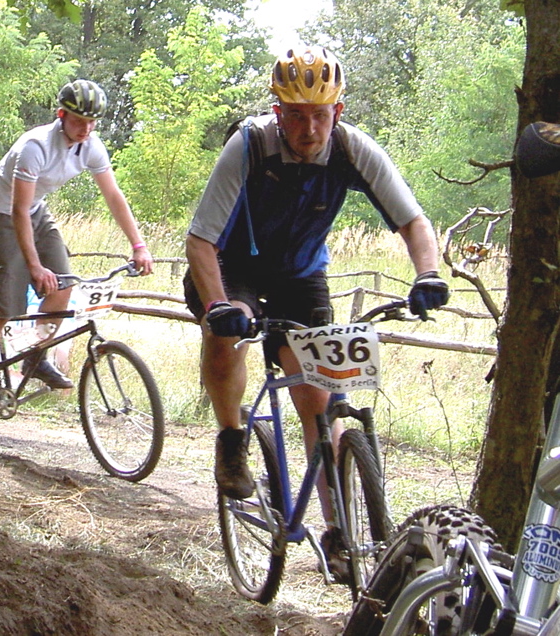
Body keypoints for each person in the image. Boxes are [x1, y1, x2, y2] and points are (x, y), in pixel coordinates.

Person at [183, 45, 449, 574]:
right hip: (232, 265)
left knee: (319, 396)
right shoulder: (249, 146)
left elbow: (414, 222)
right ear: (277, 112)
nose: (309, 129)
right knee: (226, 332)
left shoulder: (354, 150)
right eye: (297, 116)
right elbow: (200, 241)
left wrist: (428, 274)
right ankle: (232, 436)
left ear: (338, 112)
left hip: (301, 275)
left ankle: (338, 534)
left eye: (320, 116)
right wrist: (218, 305)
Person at [0, 79, 153, 423]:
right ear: (61, 115)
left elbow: (113, 196)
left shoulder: (91, 146)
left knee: (64, 284)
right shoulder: (36, 146)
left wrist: (139, 245)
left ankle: (35, 354)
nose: (85, 129)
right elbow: (17, 210)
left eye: (92, 123)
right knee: (2, 310)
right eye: (78, 121)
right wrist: (34, 267)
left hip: (35, 211)